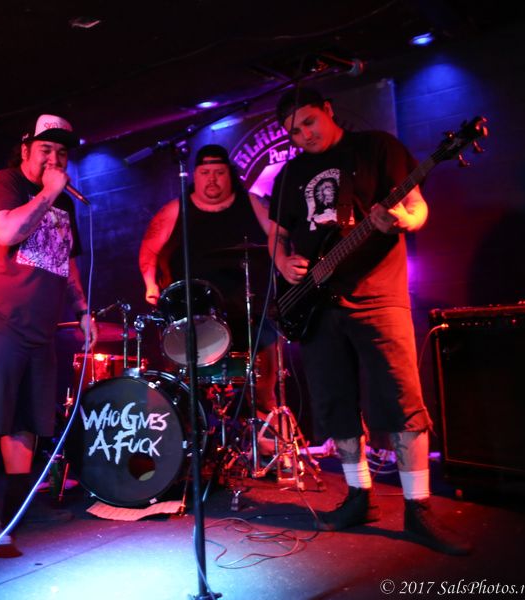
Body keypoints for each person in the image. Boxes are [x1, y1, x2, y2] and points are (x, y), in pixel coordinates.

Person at [268, 88, 470, 555]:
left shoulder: (376, 147)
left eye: (309, 122)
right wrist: (282, 262)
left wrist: (401, 220)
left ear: (329, 109)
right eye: (294, 131)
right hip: (316, 302)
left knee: (401, 397)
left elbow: (417, 207)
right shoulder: (290, 174)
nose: (304, 135)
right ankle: (359, 496)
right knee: (334, 401)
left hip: (378, 294)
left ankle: (418, 508)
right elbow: (277, 235)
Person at [0, 115, 97, 551]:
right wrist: (48, 192)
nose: (54, 159)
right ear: (25, 149)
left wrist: (82, 310)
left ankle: (20, 503)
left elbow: (65, 261)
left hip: (38, 328)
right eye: (46, 149)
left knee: (27, 420)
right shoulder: (2, 183)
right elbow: (7, 231)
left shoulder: (64, 204)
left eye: (62, 153)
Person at [139, 144, 279, 429]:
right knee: (186, 386)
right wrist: (150, 284)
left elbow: (279, 237)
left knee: (264, 381)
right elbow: (149, 248)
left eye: (219, 172)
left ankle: (266, 436)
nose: (212, 179)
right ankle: (189, 436)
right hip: (195, 313)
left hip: (247, 310)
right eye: (205, 173)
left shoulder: (252, 203)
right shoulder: (176, 208)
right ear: (195, 175)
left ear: (230, 174)